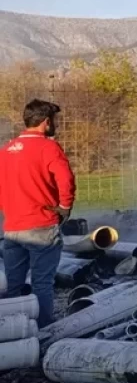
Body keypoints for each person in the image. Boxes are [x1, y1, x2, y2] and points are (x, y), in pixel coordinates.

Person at [0, 100, 75, 326]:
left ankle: (13, 330)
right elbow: (66, 179)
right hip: (41, 226)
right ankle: (43, 331)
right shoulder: (48, 147)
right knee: (42, 284)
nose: (57, 126)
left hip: (12, 229)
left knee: (13, 285)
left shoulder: (5, 151)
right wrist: (65, 206)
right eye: (56, 121)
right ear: (46, 122)